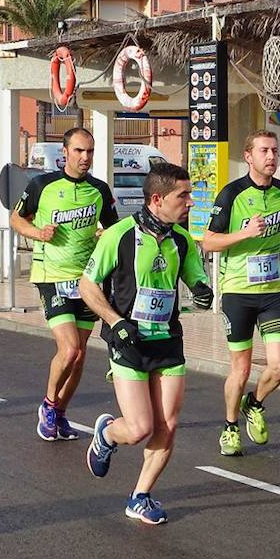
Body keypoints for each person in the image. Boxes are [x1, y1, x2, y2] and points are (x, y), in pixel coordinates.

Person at [79, 162, 213, 525]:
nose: (190, 203)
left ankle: (140, 496)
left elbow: (195, 278)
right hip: (129, 341)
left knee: (167, 424)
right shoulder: (119, 235)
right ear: (157, 199)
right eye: (183, 196)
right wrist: (115, 321)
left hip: (168, 341)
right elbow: (87, 286)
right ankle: (107, 433)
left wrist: (202, 291)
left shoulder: (183, 241)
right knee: (140, 429)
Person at [10, 128, 118, 442]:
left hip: (85, 280)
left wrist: (104, 238)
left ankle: (60, 412)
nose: (85, 158)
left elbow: (112, 230)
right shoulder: (42, 184)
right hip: (51, 275)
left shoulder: (99, 189)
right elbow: (16, 219)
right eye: (79, 151)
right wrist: (38, 233)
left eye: (90, 152)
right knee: (69, 348)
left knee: (81, 355)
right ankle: (47, 404)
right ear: (65, 151)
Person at [202, 130, 280, 456]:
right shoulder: (231, 194)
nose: (271, 156)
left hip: (272, 292)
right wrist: (244, 234)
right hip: (237, 291)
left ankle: (254, 402)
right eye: (264, 151)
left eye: (275, 150)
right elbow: (208, 241)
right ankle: (230, 427)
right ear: (249, 156)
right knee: (241, 369)